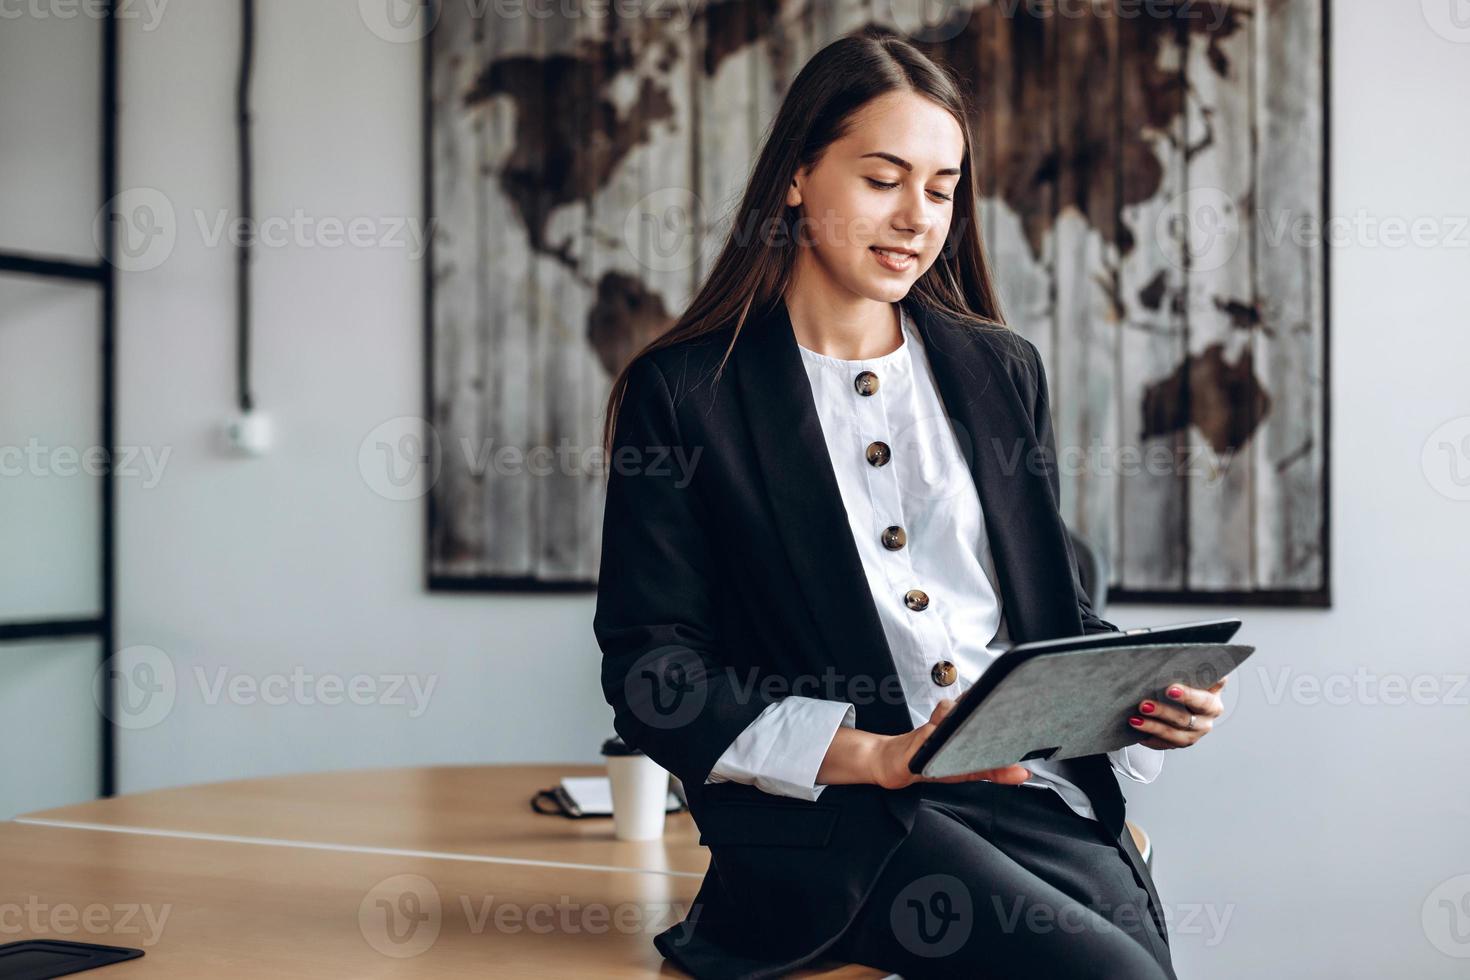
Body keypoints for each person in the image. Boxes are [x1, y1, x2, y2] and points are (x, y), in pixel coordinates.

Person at [593, 26, 1226, 980]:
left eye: (941, 187)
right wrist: (875, 755)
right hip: (839, 825)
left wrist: (1137, 698)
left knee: (1141, 963)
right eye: (883, 178)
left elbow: (1042, 612)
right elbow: (653, 674)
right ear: (797, 177)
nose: (917, 217)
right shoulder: (686, 394)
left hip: (1028, 793)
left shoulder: (1000, 369)